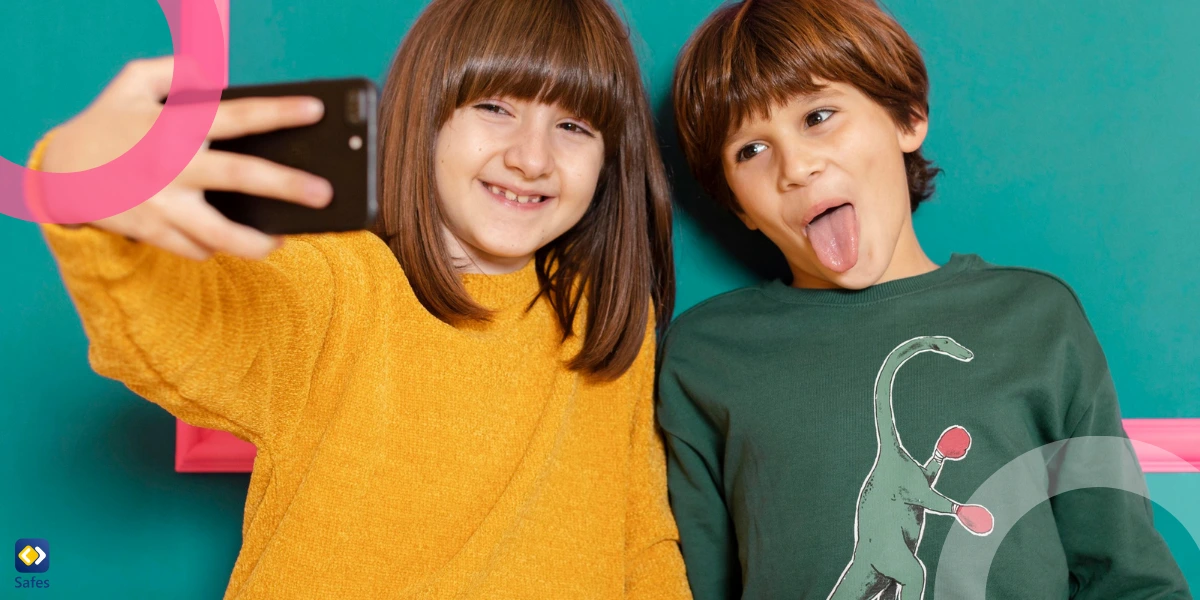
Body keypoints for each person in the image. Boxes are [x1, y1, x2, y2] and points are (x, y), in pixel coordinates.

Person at [30, 0, 691, 597]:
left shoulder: (607, 316)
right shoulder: (338, 284)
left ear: (611, 159)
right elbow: (175, 328)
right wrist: (85, 181)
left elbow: (641, 536)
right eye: (495, 107)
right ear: (425, 115)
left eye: (574, 126)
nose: (532, 157)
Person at [659, 0, 1192, 598]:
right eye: (749, 150)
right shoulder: (704, 356)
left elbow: (1129, 577)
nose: (797, 166)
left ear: (906, 118)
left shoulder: (1035, 317)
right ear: (735, 204)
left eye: (819, 116)